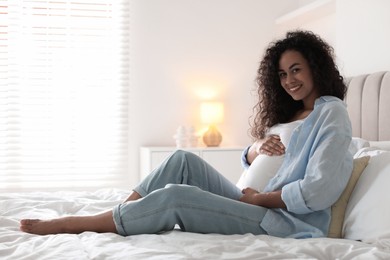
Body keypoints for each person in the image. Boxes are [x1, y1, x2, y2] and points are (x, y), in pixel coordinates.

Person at [20, 30, 353, 239]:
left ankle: (80, 223)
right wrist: (254, 150)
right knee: (181, 159)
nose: (288, 80)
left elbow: (319, 189)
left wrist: (258, 198)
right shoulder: (292, 112)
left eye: (296, 69)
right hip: (249, 198)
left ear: (315, 67)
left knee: (176, 196)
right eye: (282, 74)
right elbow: (259, 157)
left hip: (280, 219)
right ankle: (115, 216)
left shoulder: (331, 113)